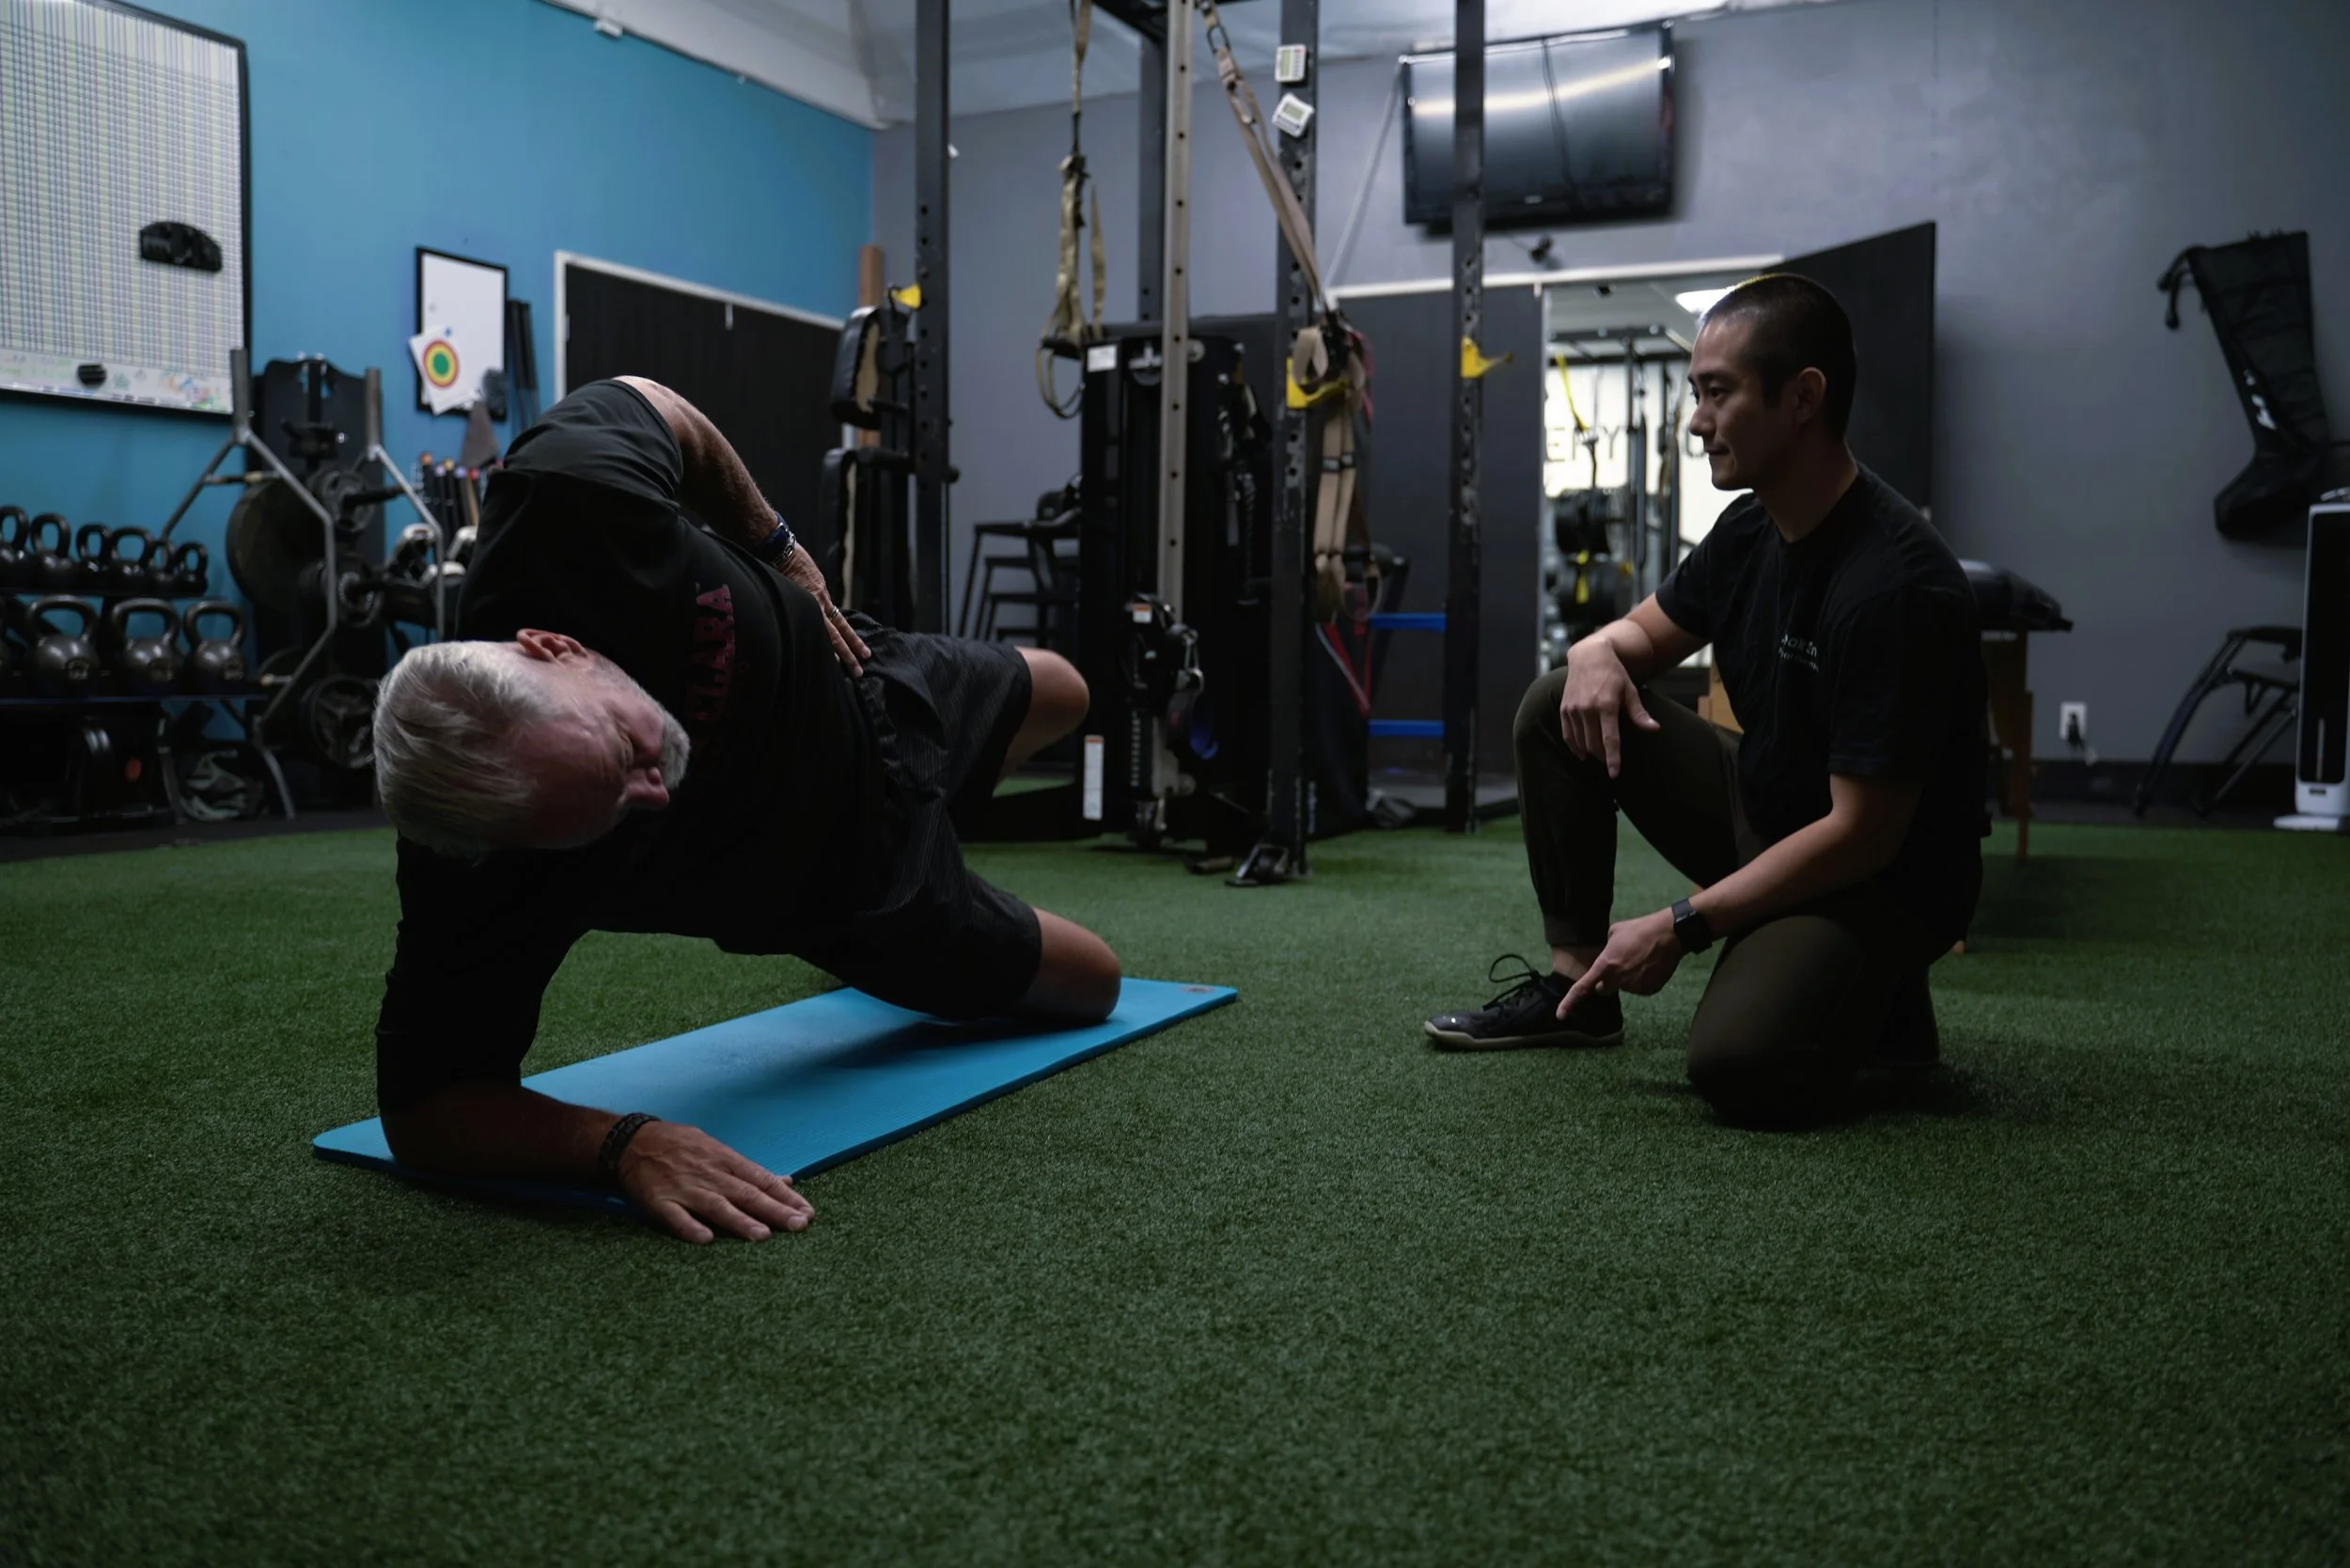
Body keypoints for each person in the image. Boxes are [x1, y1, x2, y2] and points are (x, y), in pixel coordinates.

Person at [368, 376, 1121, 1242]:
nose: (654, 796)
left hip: (862, 681)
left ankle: (949, 803)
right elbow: (424, 1108)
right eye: (611, 815)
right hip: (856, 893)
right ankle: (942, 866)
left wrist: (779, 548)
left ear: (557, 649)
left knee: (1070, 691)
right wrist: (619, 1144)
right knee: (1093, 982)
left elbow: (662, 406)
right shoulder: (473, 868)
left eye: (627, 753)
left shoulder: (566, 507)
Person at [1424, 274, 1985, 1125]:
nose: (1695, 421)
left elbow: (1863, 833)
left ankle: (1879, 986)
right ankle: (1582, 995)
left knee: (1740, 1065)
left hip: (1880, 875)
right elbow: (1634, 639)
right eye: (1695, 394)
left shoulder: (1892, 584)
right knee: (1555, 706)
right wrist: (1596, 649)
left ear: (1802, 399)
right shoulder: (1751, 529)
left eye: (1717, 393)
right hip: (1772, 805)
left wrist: (1683, 923)